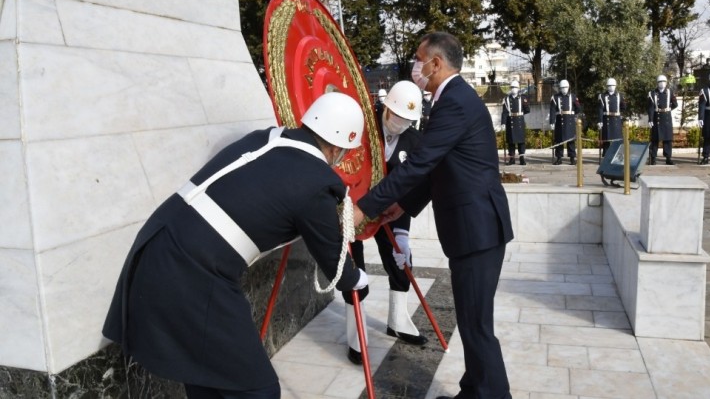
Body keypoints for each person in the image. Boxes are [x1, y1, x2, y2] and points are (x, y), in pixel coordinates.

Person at [102, 92, 368, 399]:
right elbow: (338, 268)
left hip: (157, 244)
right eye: (345, 152)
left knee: (206, 377)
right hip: (195, 272)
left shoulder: (264, 139)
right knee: (257, 390)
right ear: (337, 146)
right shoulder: (317, 183)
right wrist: (358, 278)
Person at [353, 32, 514, 399]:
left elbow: (421, 163)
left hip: (477, 230)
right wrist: (405, 205)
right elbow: (439, 168)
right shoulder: (452, 100)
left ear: (436, 63)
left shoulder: (454, 102)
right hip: (473, 229)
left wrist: (366, 205)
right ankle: (473, 392)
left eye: (418, 58)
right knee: (473, 323)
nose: (416, 66)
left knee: (476, 328)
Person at [343, 80, 428, 366]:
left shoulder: (414, 141)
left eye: (408, 121)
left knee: (401, 261)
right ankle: (356, 335)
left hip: (390, 211)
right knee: (354, 273)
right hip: (354, 206)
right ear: (386, 108)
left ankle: (398, 320)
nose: (401, 124)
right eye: (398, 117)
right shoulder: (363, 122)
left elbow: (414, 184)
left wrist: (403, 223)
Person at [647, 74, 678, 165]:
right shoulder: (652, 93)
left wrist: (667, 110)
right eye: (660, 82)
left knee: (668, 139)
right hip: (657, 117)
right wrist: (650, 119)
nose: (662, 83)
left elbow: (675, 104)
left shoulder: (670, 92)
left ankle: (668, 158)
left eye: (664, 82)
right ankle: (653, 158)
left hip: (667, 117)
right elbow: (650, 108)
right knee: (655, 139)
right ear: (657, 83)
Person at [549, 79, 581, 165]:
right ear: (560, 88)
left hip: (570, 120)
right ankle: (559, 158)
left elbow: (578, 108)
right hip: (560, 120)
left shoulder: (573, 97)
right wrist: (552, 122)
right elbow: (552, 111)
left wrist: (573, 114)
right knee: (559, 140)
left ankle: (572, 158)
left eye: (566, 87)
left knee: (571, 141)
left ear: (568, 87)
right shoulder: (555, 97)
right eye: (562, 88)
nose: (564, 89)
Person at [501, 80, 530, 165]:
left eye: (515, 87)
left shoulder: (523, 98)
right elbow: (504, 112)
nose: (514, 89)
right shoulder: (506, 99)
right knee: (511, 141)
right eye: (512, 87)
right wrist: (503, 123)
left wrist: (520, 114)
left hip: (519, 121)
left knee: (521, 141)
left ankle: (522, 158)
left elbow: (527, 110)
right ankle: (512, 158)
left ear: (518, 89)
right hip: (511, 121)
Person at [597, 77, 627, 158]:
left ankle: (618, 157)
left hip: (616, 120)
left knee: (617, 140)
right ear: (607, 86)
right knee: (606, 140)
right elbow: (600, 109)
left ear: (615, 86)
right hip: (606, 119)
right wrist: (600, 121)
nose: (611, 87)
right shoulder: (602, 96)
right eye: (609, 86)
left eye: (613, 85)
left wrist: (618, 113)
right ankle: (606, 157)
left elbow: (624, 107)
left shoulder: (620, 96)